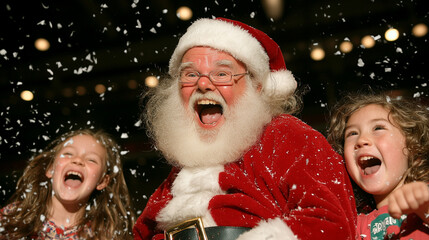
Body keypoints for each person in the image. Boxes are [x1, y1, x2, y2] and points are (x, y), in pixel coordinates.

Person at [133, 17, 357, 240]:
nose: (202, 84)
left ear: (256, 87)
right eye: (190, 75)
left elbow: (332, 221)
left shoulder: (287, 136)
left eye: (222, 74)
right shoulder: (181, 168)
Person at [327, 92, 429, 239]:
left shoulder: (424, 199)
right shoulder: (353, 224)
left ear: (414, 148)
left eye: (378, 128)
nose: (362, 139)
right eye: (352, 133)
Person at [0, 129, 135, 239]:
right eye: (68, 153)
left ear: (102, 181)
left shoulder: (107, 237)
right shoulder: (10, 220)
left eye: (92, 160)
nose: (77, 160)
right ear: (50, 169)